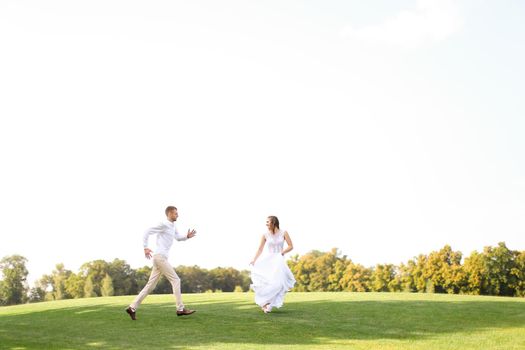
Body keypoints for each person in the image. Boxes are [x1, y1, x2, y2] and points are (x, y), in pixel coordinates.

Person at [125, 206, 197, 320]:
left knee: (150, 286)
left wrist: (186, 237)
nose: (177, 215)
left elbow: (178, 238)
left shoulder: (173, 226)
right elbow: (147, 231)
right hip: (160, 257)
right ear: (169, 214)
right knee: (176, 280)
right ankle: (180, 309)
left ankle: (132, 308)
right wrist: (145, 247)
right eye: (175, 213)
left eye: (177, 213)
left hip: (160, 259)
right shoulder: (163, 224)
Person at [250, 216, 296, 313]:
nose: (266, 224)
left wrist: (282, 252)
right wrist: (254, 259)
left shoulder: (284, 233)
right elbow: (260, 249)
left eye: (268, 222)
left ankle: (269, 304)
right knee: (267, 282)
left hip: (279, 260)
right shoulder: (265, 235)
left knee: (279, 283)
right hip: (268, 261)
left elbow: (291, 246)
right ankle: (265, 304)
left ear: (274, 222)